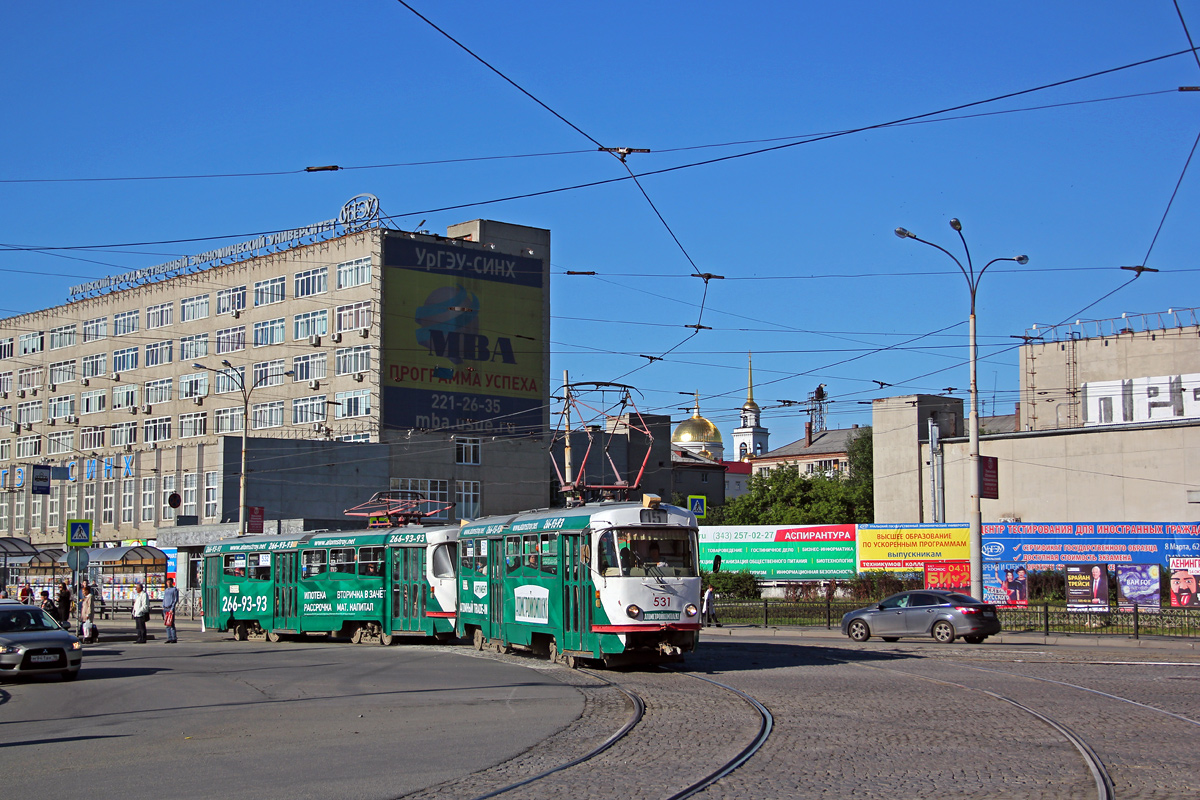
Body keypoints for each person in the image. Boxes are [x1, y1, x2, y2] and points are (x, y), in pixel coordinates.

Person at [161, 578, 179, 643]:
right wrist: (163, 606)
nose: (168, 583)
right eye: (167, 582)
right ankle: (169, 638)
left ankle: (174, 638)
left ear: (172, 583)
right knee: (167, 624)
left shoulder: (174, 590)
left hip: (170, 608)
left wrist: (172, 608)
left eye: (169, 582)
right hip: (165, 608)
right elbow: (164, 598)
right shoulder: (166, 590)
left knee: (171, 623)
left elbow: (175, 600)